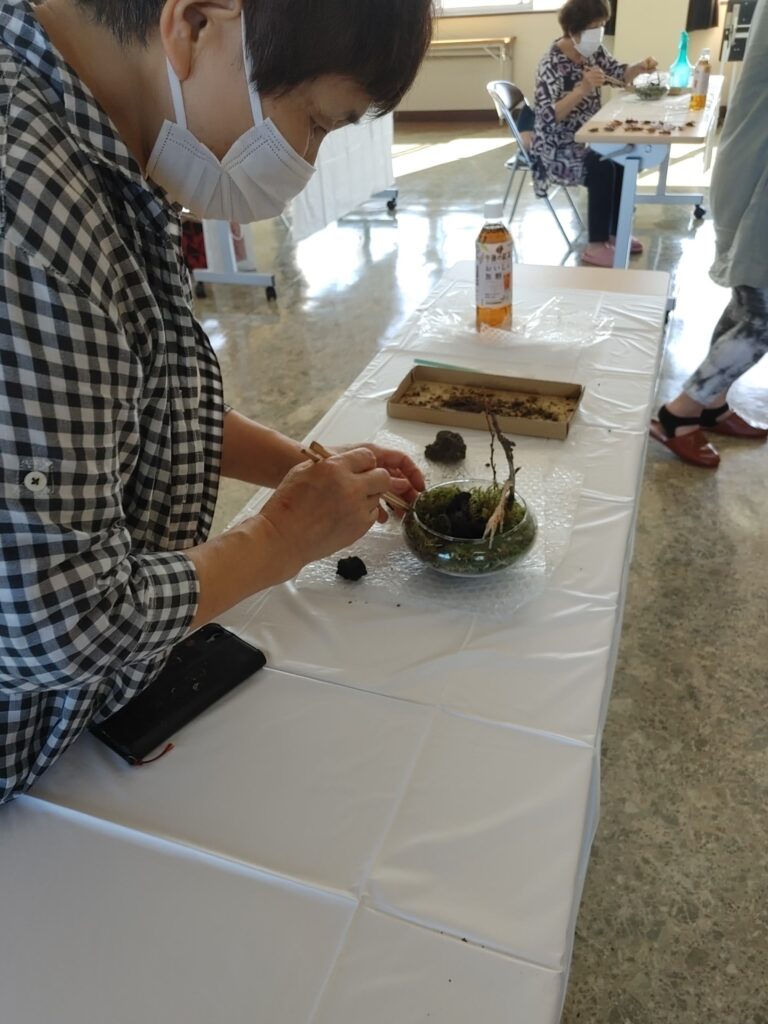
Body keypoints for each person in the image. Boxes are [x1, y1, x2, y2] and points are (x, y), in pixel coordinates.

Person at [0, 0, 433, 803]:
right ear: (196, 23)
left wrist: (307, 470)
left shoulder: (102, 141)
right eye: (316, 123)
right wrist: (281, 537)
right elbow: (60, 623)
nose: (306, 160)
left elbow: (130, 401)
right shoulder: (26, 215)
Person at [650, 0, 768, 467]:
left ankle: (711, 402)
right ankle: (679, 415)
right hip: (759, 178)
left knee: (749, 301)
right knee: (762, 316)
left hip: (749, 169)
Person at [531, 0, 657, 267]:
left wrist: (638, 68)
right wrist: (582, 90)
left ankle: (616, 233)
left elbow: (619, 74)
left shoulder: (593, 51)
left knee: (624, 158)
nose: (599, 32)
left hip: (590, 136)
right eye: (593, 26)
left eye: (602, 25)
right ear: (573, 30)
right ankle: (596, 245)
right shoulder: (551, 63)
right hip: (557, 146)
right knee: (603, 165)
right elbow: (547, 116)